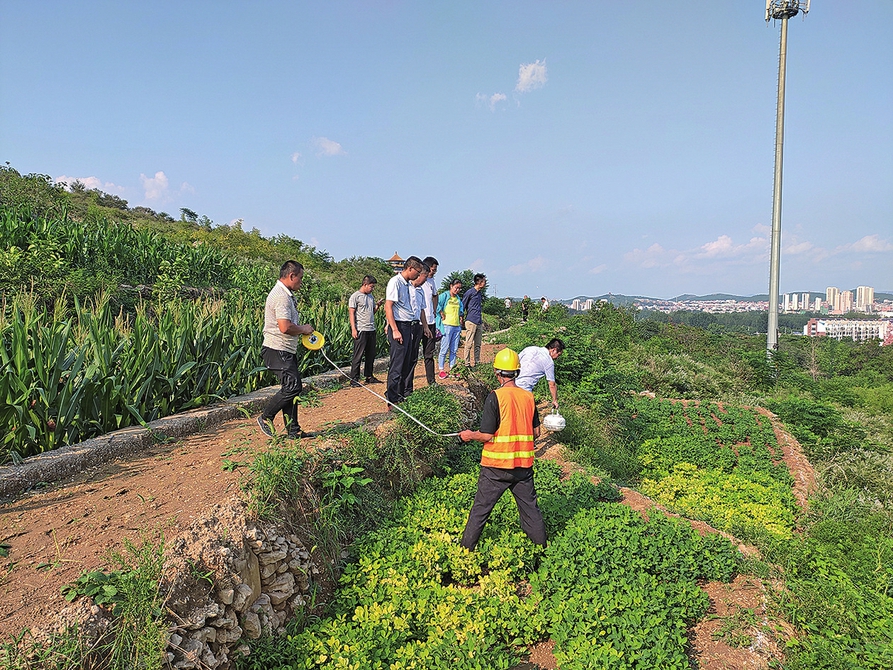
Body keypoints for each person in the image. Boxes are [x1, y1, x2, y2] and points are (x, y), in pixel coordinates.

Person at [458, 348, 546, 550]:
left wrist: (469, 435)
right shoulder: (529, 398)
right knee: (531, 512)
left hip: (495, 468)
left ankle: (465, 551)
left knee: (480, 511)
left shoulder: (495, 397)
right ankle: (542, 551)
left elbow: (487, 435)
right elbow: (537, 433)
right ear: (517, 372)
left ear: (497, 372)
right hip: (522, 468)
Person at [257, 260, 315, 439]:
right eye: (300, 278)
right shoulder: (281, 297)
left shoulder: (286, 294)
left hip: (284, 350)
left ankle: (293, 430)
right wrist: (304, 329)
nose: (301, 282)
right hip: (277, 350)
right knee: (293, 387)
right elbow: (284, 327)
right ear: (291, 276)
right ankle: (266, 417)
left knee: (291, 387)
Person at [384, 256, 424, 406]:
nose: (418, 275)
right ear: (410, 269)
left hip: (407, 326)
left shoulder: (407, 284)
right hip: (399, 326)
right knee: (397, 364)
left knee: (406, 363)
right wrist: (394, 329)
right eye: (417, 272)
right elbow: (388, 307)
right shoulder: (395, 282)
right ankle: (392, 399)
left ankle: (400, 395)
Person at [348, 275, 382, 386]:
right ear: (365, 284)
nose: (372, 289)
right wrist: (354, 328)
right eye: (371, 287)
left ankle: (369, 376)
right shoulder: (355, 296)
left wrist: (377, 306)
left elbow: (372, 312)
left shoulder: (371, 297)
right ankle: (354, 378)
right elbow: (351, 313)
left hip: (371, 329)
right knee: (358, 355)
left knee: (370, 354)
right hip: (361, 329)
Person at [404, 263, 432, 396]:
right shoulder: (406, 288)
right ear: (420, 275)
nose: (425, 280)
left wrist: (425, 327)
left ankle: (408, 389)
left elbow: (422, 310)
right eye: (425, 277)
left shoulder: (420, 291)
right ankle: (400, 388)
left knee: (413, 358)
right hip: (406, 325)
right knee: (405, 358)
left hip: (417, 325)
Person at [516, 338, 565, 409]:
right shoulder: (549, 361)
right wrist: (555, 400)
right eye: (558, 354)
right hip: (524, 389)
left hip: (510, 384)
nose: (557, 358)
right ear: (553, 350)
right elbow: (552, 384)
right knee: (526, 416)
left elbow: (515, 361)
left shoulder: (530, 349)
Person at [436, 278, 464, 378]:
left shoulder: (457, 298)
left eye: (459, 288)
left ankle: (452, 368)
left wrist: (461, 317)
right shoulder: (445, 296)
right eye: (456, 288)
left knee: (454, 349)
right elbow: (436, 304)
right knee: (444, 348)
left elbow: (461, 309)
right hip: (446, 326)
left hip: (456, 326)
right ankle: (441, 369)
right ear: (451, 286)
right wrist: (441, 313)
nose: (457, 290)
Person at [420, 256, 440, 385]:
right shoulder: (417, 282)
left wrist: (434, 309)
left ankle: (431, 381)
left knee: (429, 353)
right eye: (432, 270)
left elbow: (435, 295)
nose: (433, 273)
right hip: (418, 323)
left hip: (430, 322)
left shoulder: (432, 282)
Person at [462, 273, 487, 366]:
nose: (485, 283)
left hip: (479, 321)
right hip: (471, 321)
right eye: (484, 281)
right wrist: (461, 317)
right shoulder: (470, 292)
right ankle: (467, 363)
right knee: (468, 344)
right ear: (479, 282)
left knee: (478, 344)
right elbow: (463, 305)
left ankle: (477, 362)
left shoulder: (479, 293)